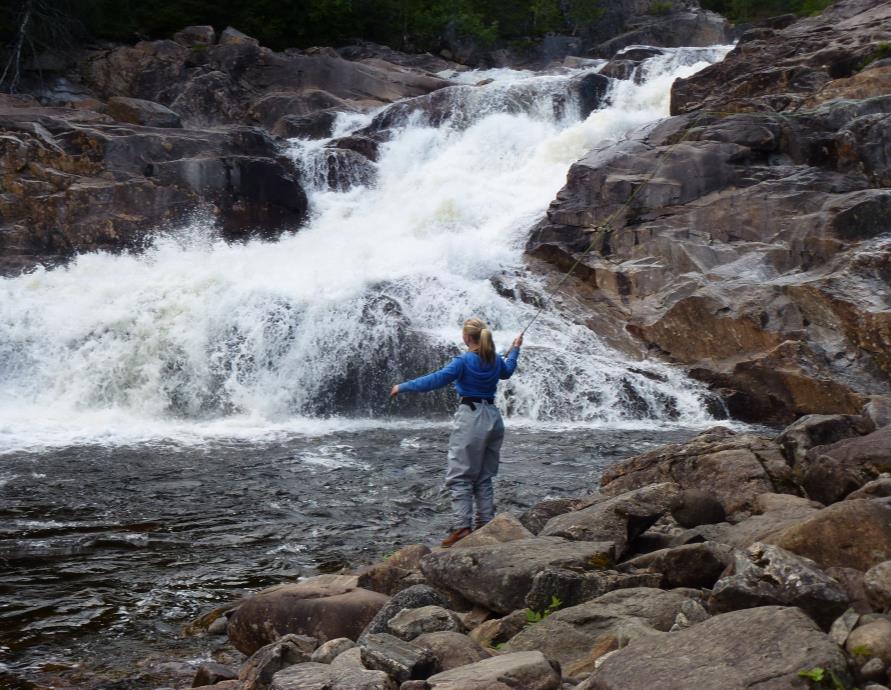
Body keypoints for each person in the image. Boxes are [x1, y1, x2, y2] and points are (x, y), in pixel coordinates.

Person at [390, 318, 523, 548]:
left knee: (460, 475)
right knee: (483, 475)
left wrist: (403, 386)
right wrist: (515, 349)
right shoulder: (493, 360)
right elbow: (507, 371)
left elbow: (435, 380)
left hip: (471, 417)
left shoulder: (463, 361)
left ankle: (462, 527)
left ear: (466, 338)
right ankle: (485, 524)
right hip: (493, 416)